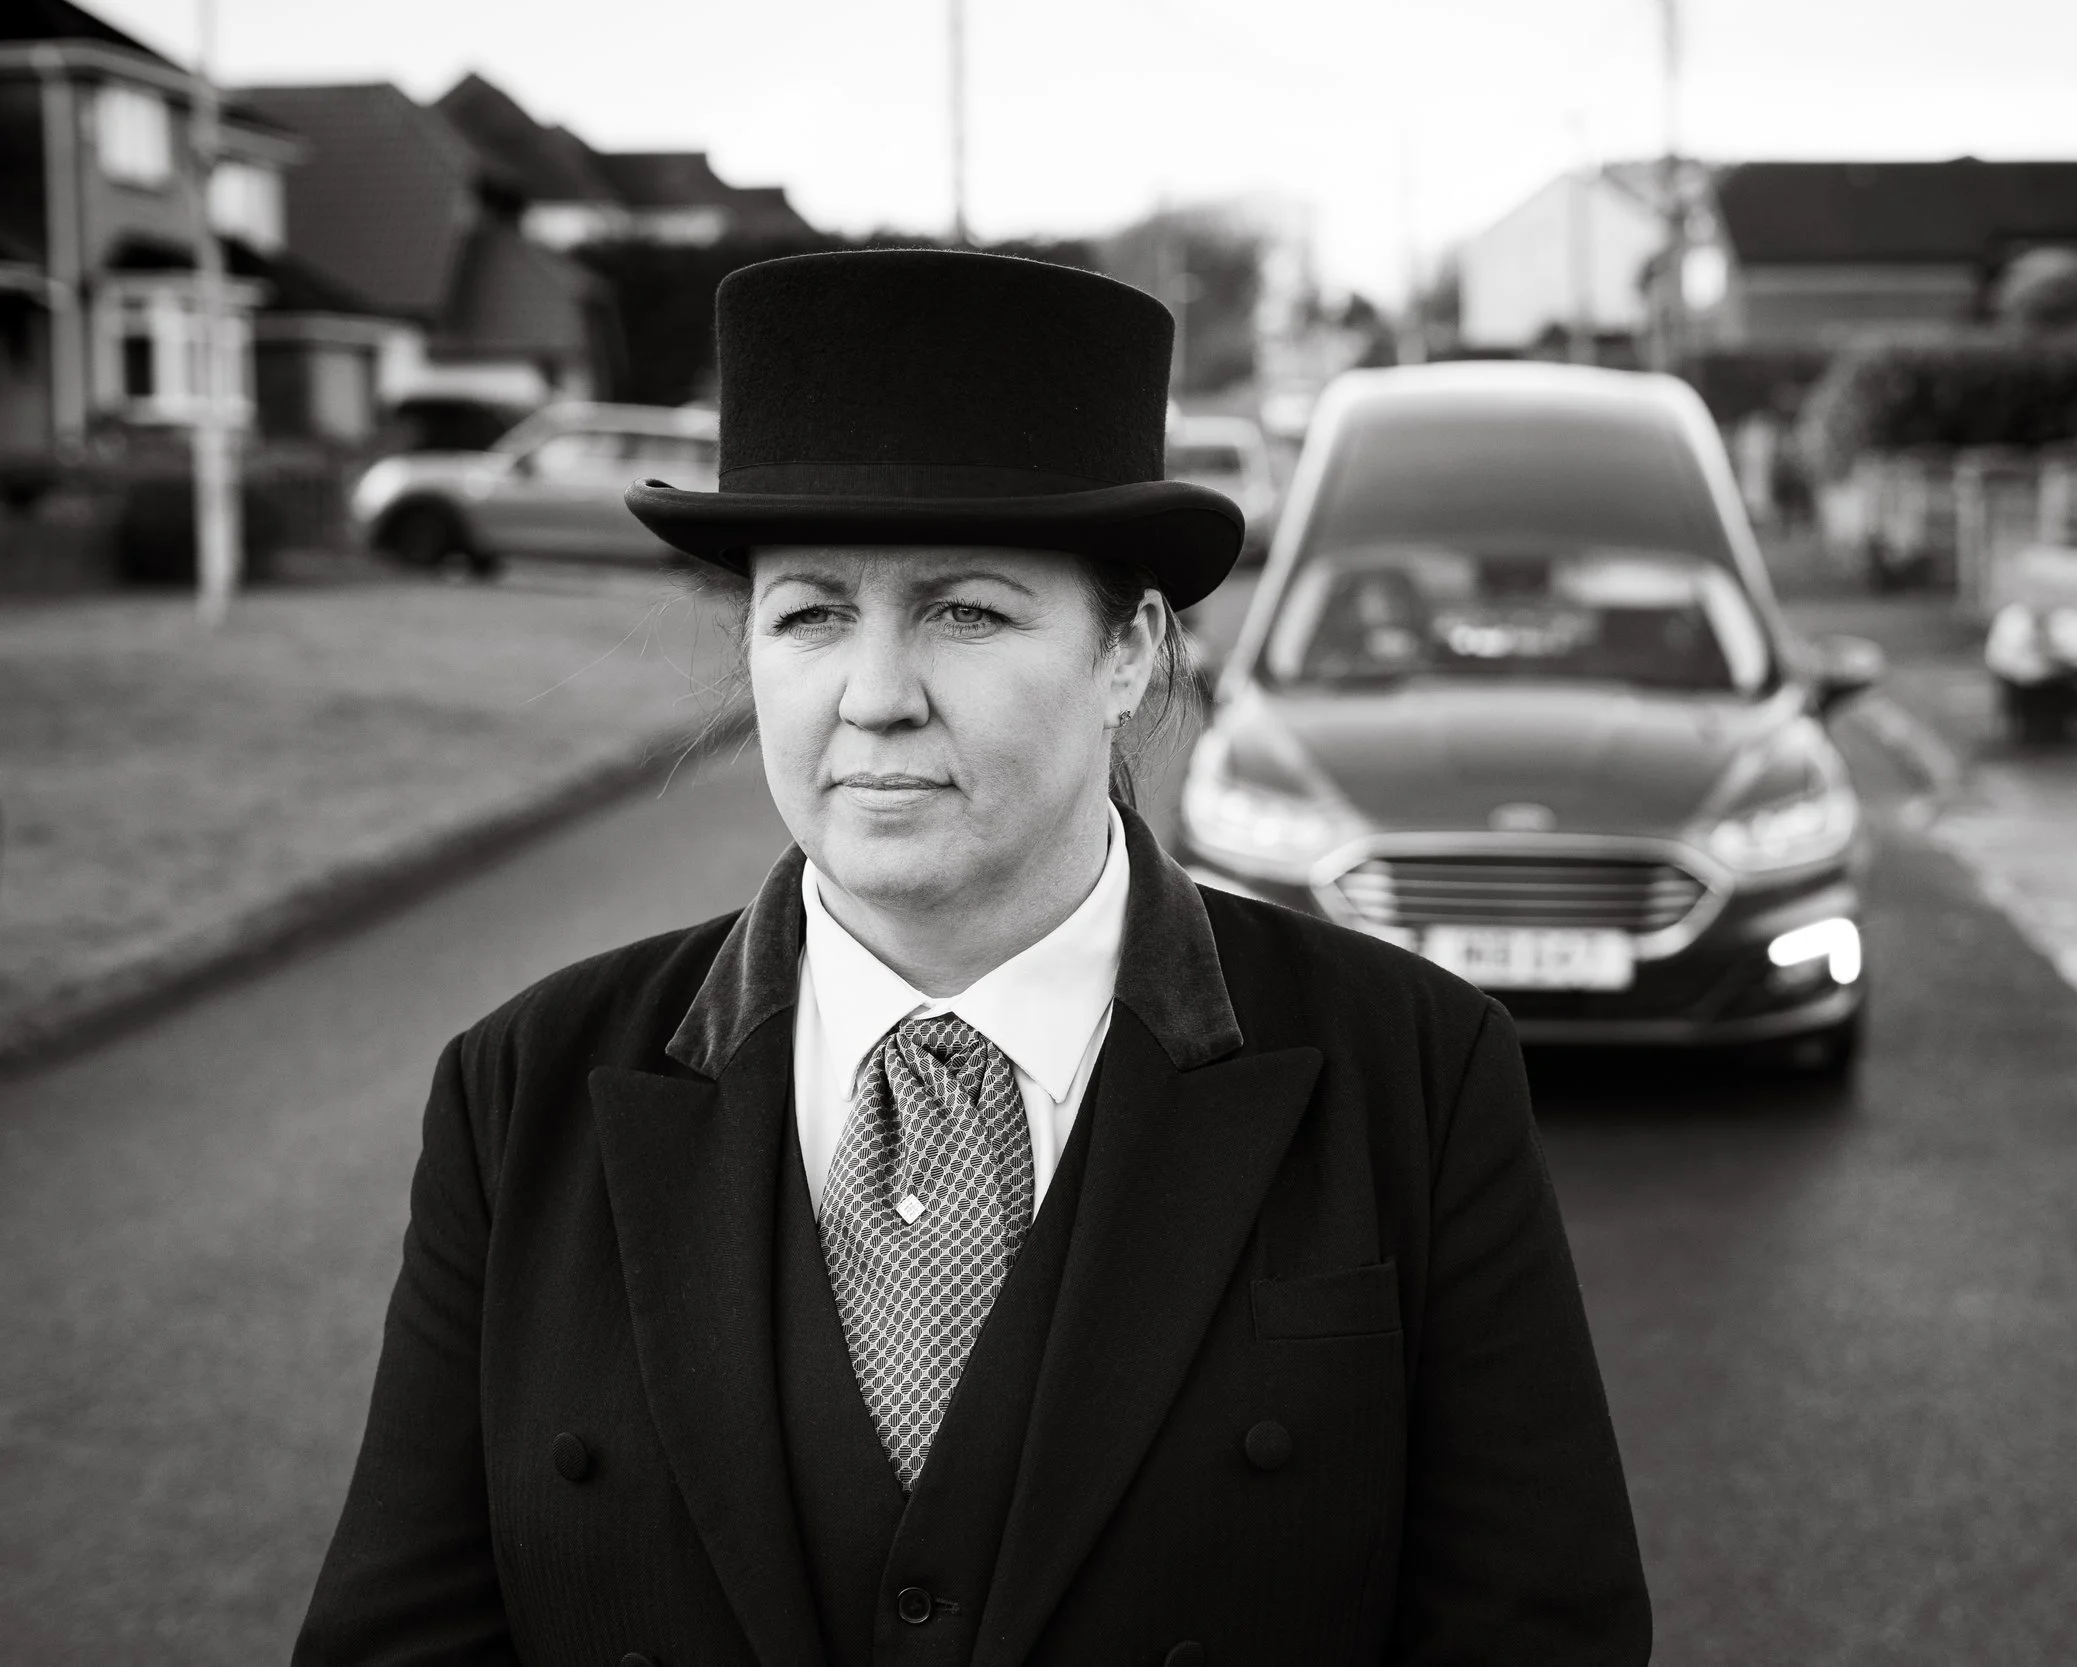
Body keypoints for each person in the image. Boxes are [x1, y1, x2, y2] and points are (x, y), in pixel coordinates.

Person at [296, 250, 1648, 1666]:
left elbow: (1540, 1632)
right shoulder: (523, 1091)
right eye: (812, 612)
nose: (875, 697)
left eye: (967, 611)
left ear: (1127, 650)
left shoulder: (1417, 1072)